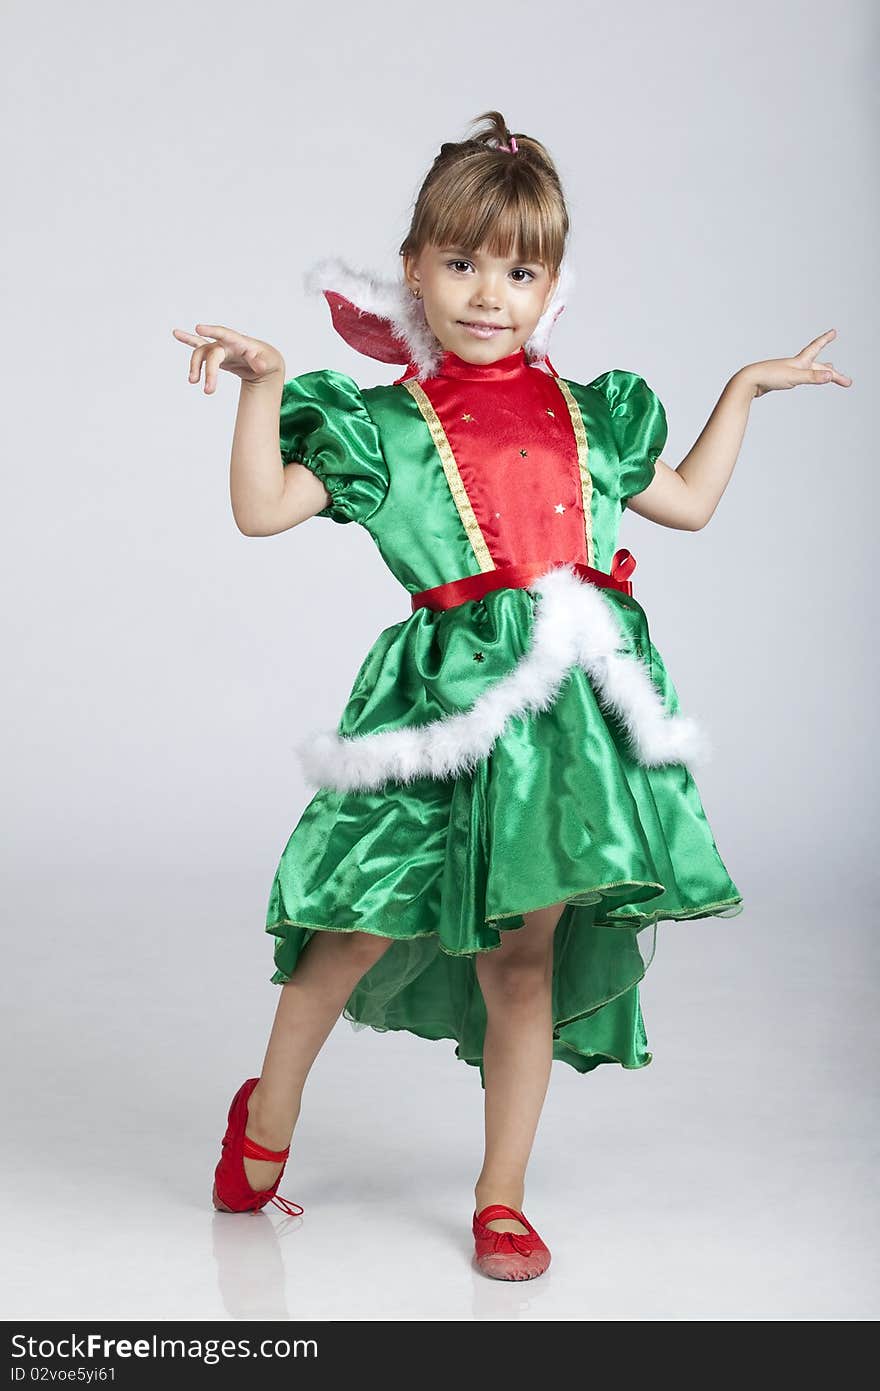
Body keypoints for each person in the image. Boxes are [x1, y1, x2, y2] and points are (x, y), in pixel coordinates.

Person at [173, 110, 850, 1282]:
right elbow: (261, 509)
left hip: (562, 723)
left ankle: (501, 1194)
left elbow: (684, 502)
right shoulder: (381, 422)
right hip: (440, 710)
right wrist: (265, 384)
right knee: (348, 934)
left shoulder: (596, 414)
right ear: (415, 270)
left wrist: (742, 388)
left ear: (551, 285)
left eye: (519, 269)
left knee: (522, 961)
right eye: (462, 263)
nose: (489, 292)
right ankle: (266, 1113)